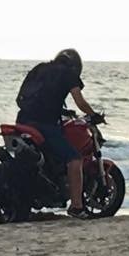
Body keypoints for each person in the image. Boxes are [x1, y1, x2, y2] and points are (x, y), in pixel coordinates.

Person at [15, 48, 101, 219]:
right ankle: (76, 207)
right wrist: (93, 115)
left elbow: (20, 99)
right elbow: (80, 101)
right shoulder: (68, 73)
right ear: (76, 66)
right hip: (44, 124)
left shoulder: (39, 68)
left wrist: (60, 110)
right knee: (74, 159)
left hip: (22, 121)